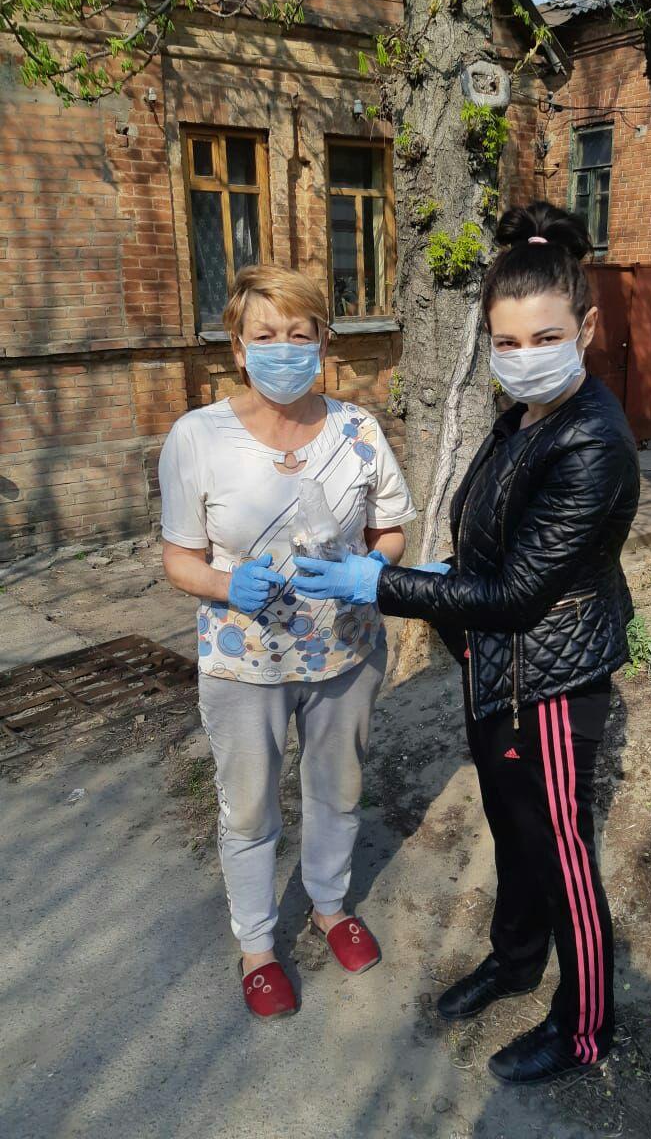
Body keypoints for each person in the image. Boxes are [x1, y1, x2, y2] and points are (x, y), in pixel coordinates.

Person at [292, 202, 640, 1083]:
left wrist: (383, 586)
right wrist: (427, 576)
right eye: (507, 341)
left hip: (550, 679)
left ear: (586, 328)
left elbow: (520, 596)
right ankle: (516, 962)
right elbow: (490, 544)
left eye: (546, 338)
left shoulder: (592, 440)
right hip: (497, 668)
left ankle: (587, 1025)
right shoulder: (522, 415)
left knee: (561, 853)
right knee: (514, 830)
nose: (525, 357)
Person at [158, 265, 416, 1019]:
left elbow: (390, 530)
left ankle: (330, 906)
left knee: (338, 791)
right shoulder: (197, 438)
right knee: (247, 810)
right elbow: (179, 557)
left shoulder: (358, 430)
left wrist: (372, 568)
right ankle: (257, 946)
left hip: (347, 653)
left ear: (322, 343)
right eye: (265, 335)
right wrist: (222, 585)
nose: (284, 349)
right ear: (239, 348)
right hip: (245, 663)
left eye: (299, 335)